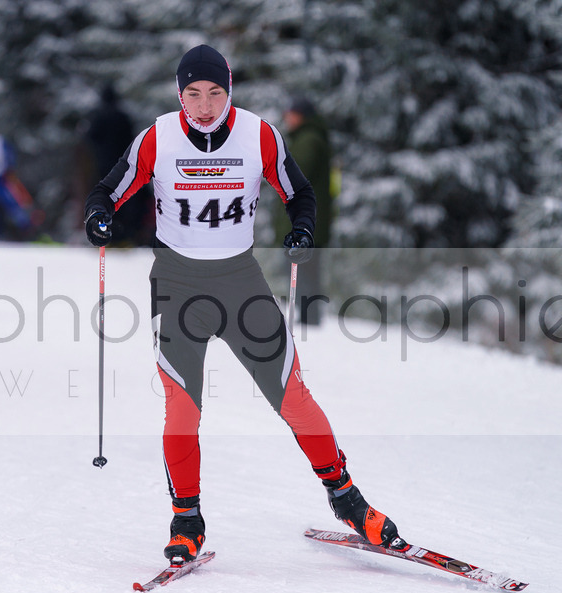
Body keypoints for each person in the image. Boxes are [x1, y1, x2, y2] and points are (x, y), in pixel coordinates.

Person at [84, 44, 399, 564]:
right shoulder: (157, 138)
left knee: (291, 395)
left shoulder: (259, 135)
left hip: (241, 283)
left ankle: (347, 499)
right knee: (182, 409)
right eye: (193, 94)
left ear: (229, 91)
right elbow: (106, 191)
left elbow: (301, 194)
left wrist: (302, 229)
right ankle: (187, 520)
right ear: (178, 93)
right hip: (176, 285)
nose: (204, 106)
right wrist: (99, 217)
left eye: (215, 93)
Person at [273, 98, 333, 325]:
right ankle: (312, 317)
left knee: (301, 269)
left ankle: (309, 319)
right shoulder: (313, 138)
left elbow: (292, 175)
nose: (287, 118)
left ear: (301, 116)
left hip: (304, 220)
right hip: (314, 219)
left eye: (291, 113)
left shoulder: (307, 141)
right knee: (309, 269)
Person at [82, 83, 151, 246]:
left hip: (102, 165)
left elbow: (89, 138)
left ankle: (104, 234)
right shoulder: (123, 116)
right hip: (122, 163)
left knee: (104, 198)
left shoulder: (97, 116)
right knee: (124, 200)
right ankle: (124, 235)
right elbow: (132, 138)